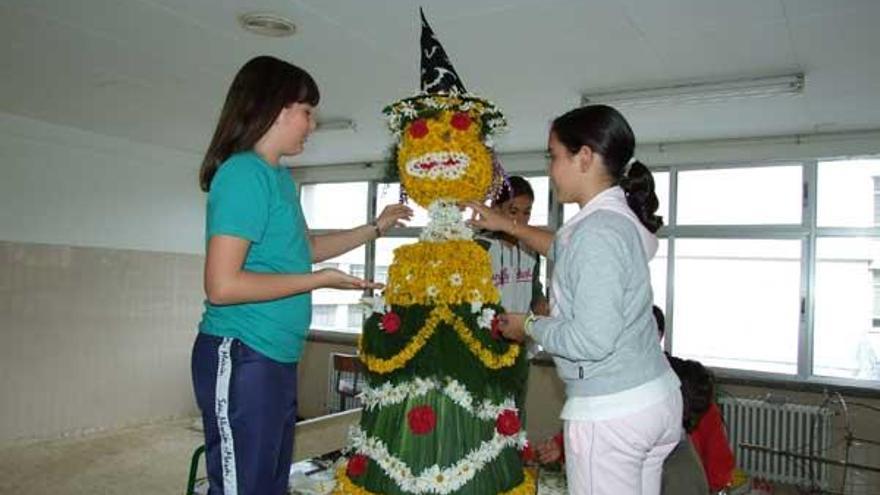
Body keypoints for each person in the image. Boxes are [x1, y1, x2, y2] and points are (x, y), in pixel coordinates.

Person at [191, 56, 411, 495]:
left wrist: (375, 227)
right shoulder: (242, 174)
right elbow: (222, 286)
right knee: (242, 487)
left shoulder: (277, 177)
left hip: (273, 356)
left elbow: (304, 251)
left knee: (270, 483)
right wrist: (320, 281)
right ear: (277, 108)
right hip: (241, 354)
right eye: (307, 112)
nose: (312, 124)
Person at [467, 104, 681, 495]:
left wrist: (528, 325)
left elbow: (592, 341)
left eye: (554, 156)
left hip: (613, 410)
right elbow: (566, 247)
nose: (550, 168)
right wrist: (503, 224)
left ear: (584, 157)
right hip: (652, 398)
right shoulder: (616, 218)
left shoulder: (597, 232)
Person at [475, 175, 549, 316]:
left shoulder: (531, 248)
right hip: (487, 335)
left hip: (522, 333)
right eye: (513, 211)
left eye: (526, 212)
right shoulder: (480, 248)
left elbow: (535, 292)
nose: (520, 219)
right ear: (495, 210)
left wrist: (544, 307)